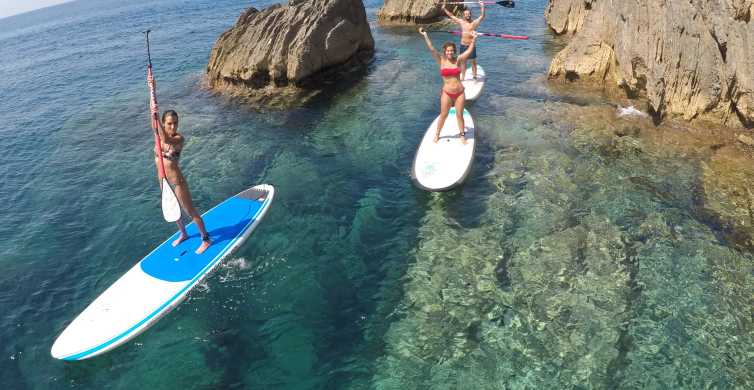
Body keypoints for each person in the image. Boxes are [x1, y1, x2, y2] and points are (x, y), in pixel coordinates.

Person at [154, 110, 212, 254]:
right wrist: (153, 109)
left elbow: (166, 140)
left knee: (189, 210)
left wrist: (156, 117)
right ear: (163, 124)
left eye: (175, 123)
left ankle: (206, 239)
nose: (173, 127)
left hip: (176, 181)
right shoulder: (158, 136)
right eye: (169, 124)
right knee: (172, 209)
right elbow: (153, 123)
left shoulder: (178, 139)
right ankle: (183, 234)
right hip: (163, 180)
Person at [419, 27, 478, 144]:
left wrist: (474, 39)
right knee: (444, 115)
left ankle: (462, 135)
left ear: (454, 51)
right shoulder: (440, 60)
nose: (450, 52)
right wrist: (425, 35)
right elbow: (431, 48)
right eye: (448, 51)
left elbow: (469, 51)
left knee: (459, 115)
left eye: (451, 50)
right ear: (444, 51)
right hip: (447, 93)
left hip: (460, 92)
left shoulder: (459, 60)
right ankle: (437, 133)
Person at [442, 0, 485, 80]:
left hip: (471, 46)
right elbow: (451, 16)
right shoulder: (461, 22)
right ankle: (463, 77)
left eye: (468, 14)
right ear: (463, 15)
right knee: (463, 62)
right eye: (465, 14)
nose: (467, 15)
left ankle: (475, 77)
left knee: (473, 62)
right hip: (463, 46)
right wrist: (444, 9)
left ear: (470, 15)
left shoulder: (474, 23)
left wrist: (482, 6)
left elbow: (482, 16)